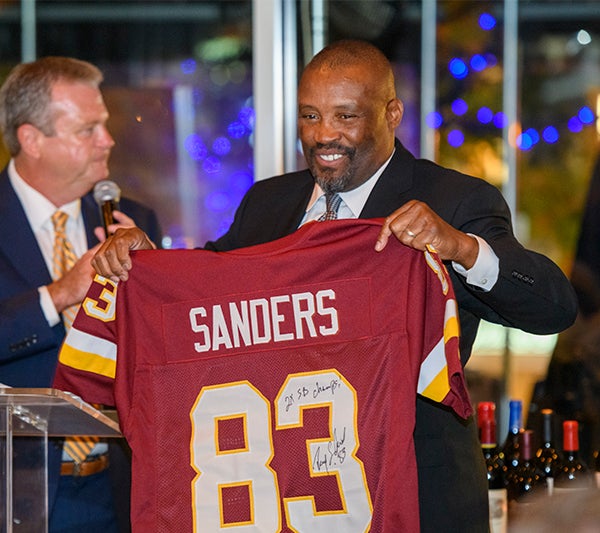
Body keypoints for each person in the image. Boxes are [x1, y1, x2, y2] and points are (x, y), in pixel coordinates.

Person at [90, 40, 577, 532]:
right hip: (285, 497)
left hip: (416, 494)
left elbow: (552, 306)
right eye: (309, 116)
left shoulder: (451, 199)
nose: (324, 135)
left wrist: (462, 248)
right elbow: (207, 286)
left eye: (345, 117)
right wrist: (147, 266)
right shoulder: (267, 203)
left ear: (391, 114)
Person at [0, 57, 161, 532]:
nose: (107, 141)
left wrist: (156, 277)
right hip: (14, 488)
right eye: (87, 129)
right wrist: (59, 293)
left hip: (117, 485)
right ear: (32, 139)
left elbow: (158, 352)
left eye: (105, 125)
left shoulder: (134, 221)